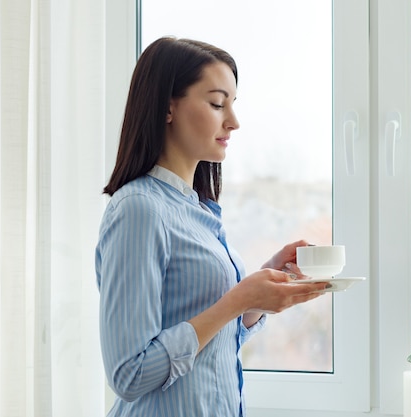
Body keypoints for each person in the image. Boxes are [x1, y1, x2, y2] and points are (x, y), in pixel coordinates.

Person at [95, 36, 327, 417]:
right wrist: (236, 300)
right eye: (218, 103)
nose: (233, 122)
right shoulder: (139, 209)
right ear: (168, 107)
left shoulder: (198, 211)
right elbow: (129, 375)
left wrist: (257, 292)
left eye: (232, 105)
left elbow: (212, 338)